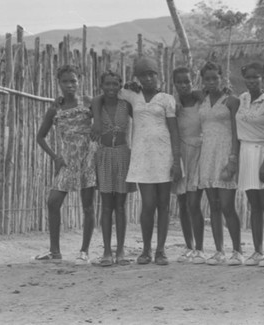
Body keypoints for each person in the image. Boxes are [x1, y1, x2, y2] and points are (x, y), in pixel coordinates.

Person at [92, 57, 182, 266]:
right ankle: (146, 250)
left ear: (158, 75)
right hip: (142, 156)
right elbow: (100, 97)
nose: (148, 78)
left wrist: (176, 161)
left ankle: (161, 251)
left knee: (164, 205)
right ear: (137, 78)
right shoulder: (132, 95)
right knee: (148, 204)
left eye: (152, 74)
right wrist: (97, 119)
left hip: (164, 155)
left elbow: (174, 132)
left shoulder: (167, 99)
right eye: (143, 75)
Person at [35, 64, 96, 264]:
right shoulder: (55, 109)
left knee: (87, 206)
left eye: (73, 81)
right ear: (58, 83)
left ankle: (84, 251)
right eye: (65, 81)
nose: (70, 85)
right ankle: (55, 251)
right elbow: (40, 137)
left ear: (79, 81)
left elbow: (104, 120)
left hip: (87, 159)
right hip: (67, 161)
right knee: (53, 202)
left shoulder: (89, 102)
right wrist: (55, 157)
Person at [197, 61, 243, 266]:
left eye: (215, 78)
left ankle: (237, 250)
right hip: (207, 154)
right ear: (203, 81)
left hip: (225, 154)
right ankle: (219, 250)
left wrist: (233, 159)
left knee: (227, 205)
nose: (211, 81)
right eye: (207, 78)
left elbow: (236, 132)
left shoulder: (231, 101)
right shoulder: (201, 100)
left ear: (222, 78)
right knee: (213, 206)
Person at [236, 62, 264, 267]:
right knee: (254, 205)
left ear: (262, 78)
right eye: (248, 77)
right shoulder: (241, 99)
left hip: (262, 152)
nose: (252, 81)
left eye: (256, 77)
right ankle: (257, 250)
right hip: (245, 152)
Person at [95, 71, 137, 267]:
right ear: (101, 85)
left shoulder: (126, 105)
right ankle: (106, 251)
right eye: (107, 84)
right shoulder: (97, 104)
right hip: (103, 155)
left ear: (120, 85)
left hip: (122, 155)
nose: (111, 88)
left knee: (120, 205)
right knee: (106, 206)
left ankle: (120, 250)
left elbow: (144, 111)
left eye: (115, 84)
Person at [172, 67, 206, 264]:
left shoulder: (201, 100)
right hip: (180, 154)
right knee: (182, 203)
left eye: (187, 81)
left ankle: (200, 248)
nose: (184, 85)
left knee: (194, 203)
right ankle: (189, 246)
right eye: (179, 82)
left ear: (192, 81)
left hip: (198, 153)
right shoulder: (173, 105)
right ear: (174, 83)